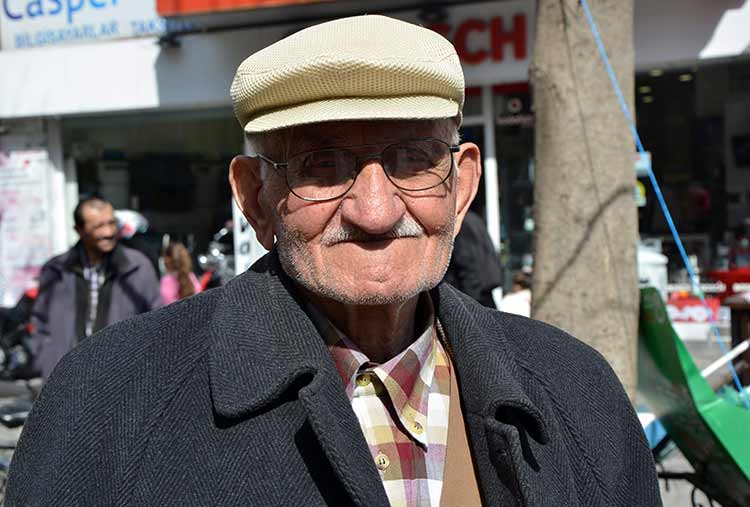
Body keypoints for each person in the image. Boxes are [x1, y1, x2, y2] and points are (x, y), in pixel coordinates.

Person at [7, 16, 660, 506]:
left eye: (412, 159)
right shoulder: (107, 403)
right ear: (255, 198)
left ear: (461, 187)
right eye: (323, 166)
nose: (375, 212)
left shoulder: (577, 391)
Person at [25, 197, 162, 380]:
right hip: (66, 379)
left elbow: (158, 319)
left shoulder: (137, 266)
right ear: (79, 230)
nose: (108, 232)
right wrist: (47, 360)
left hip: (121, 379)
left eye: (112, 223)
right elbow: (40, 322)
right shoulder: (56, 270)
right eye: (98, 226)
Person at [443, 209, 503, 308]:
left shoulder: (460, 223)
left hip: (473, 293)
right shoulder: (474, 220)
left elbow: (465, 261)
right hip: (483, 289)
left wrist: (467, 299)